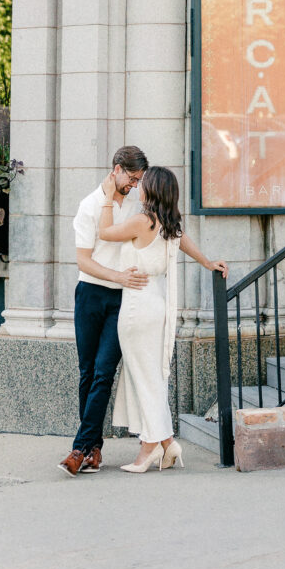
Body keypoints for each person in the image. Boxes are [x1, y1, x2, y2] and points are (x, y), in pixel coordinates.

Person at [98, 165, 228, 473]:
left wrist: (107, 197)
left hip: (136, 307)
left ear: (150, 190)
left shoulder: (143, 221)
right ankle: (168, 443)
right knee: (151, 375)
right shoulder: (170, 223)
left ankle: (150, 448)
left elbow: (104, 232)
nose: (139, 187)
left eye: (142, 183)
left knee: (145, 379)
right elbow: (185, 243)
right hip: (156, 304)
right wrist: (208, 262)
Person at [58, 146, 149, 477]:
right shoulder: (89, 206)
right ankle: (94, 449)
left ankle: (79, 448)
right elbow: (84, 261)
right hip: (91, 296)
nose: (136, 186)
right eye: (132, 179)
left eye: (140, 180)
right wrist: (118, 277)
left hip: (121, 301)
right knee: (87, 373)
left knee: (103, 372)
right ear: (117, 170)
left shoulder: (137, 205)